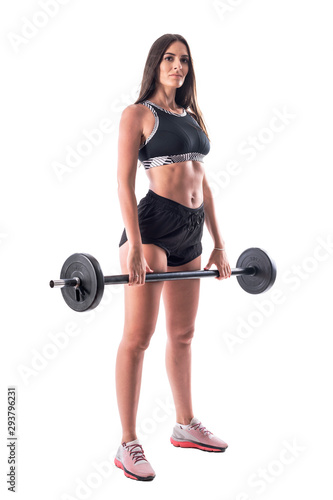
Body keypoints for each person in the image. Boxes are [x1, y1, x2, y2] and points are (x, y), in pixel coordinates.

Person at [114, 33, 232, 482]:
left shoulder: (191, 115)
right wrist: (136, 246)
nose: (177, 66)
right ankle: (128, 443)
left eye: (183, 60)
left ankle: (185, 426)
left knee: (183, 334)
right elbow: (124, 183)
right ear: (155, 63)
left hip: (192, 229)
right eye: (169, 58)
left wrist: (219, 243)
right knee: (139, 338)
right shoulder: (138, 114)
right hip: (154, 228)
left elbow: (203, 182)